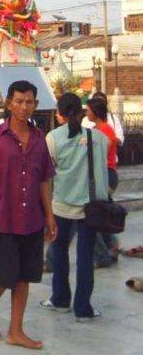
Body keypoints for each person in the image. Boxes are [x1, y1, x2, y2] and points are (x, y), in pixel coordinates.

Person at [0, 80, 56, 349]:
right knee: (4, 273)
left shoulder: (39, 139)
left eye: (29, 101)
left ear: (35, 104)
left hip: (32, 215)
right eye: (19, 101)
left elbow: (44, 179)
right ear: (9, 103)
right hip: (4, 215)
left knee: (25, 275)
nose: (24, 107)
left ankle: (16, 330)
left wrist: (49, 215)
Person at [40, 93, 108, 323]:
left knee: (59, 253)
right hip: (89, 207)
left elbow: (47, 175)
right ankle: (83, 308)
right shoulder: (97, 138)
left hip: (60, 205)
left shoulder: (52, 138)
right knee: (85, 257)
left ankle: (60, 299)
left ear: (59, 114)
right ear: (81, 113)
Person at [86, 97, 119, 267]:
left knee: (97, 214)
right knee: (100, 214)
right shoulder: (94, 129)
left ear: (96, 112)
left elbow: (101, 153)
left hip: (107, 172)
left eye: (89, 109)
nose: (86, 112)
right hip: (99, 174)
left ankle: (105, 250)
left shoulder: (106, 130)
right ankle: (110, 245)